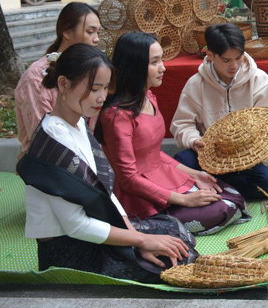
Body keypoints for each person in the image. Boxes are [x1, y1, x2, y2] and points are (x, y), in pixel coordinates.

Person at [17, 44, 196, 283]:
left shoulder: (77, 122)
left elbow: (105, 191)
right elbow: (76, 226)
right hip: (70, 253)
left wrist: (137, 239)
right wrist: (142, 240)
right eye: (93, 89)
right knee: (174, 262)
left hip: (93, 231)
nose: (101, 98)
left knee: (175, 233)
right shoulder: (54, 140)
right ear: (63, 84)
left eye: (104, 88)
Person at [97, 32, 249, 235]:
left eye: (161, 60)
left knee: (231, 196)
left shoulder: (148, 97)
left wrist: (195, 175)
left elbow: (152, 153)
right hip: (140, 195)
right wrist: (184, 199)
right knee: (223, 209)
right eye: (155, 62)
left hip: (162, 175)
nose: (163, 67)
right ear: (135, 65)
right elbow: (129, 179)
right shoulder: (116, 116)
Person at [171, 23, 268, 199]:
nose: (234, 65)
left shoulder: (260, 80)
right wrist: (194, 141)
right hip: (208, 157)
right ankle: (218, 188)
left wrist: (247, 153)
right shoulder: (196, 84)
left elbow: (266, 125)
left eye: (239, 58)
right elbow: (181, 124)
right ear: (210, 55)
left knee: (267, 183)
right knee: (179, 163)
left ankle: (208, 188)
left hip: (246, 160)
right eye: (226, 60)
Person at [15, 2, 101, 153]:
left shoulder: (92, 70)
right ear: (67, 32)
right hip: (52, 163)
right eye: (90, 32)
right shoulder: (36, 77)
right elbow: (42, 135)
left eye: (98, 33)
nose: (96, 39)